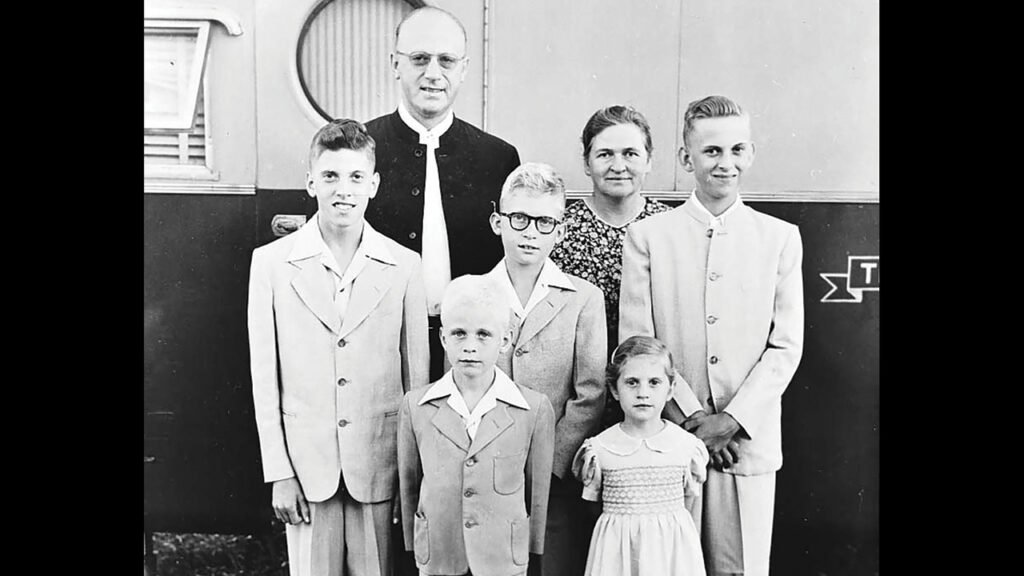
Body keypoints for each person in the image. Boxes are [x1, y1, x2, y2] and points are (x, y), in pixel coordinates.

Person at [619, 95, 804, 576]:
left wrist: (733, 419)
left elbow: (785, 347)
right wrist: (694, 417)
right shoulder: (648, 237)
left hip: (747, 445)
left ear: (751, 153)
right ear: (686, 158)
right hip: (670, 437)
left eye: (737, 150)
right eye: (712, 151)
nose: (726, 163)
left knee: (741, 567)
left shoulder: (779, 238)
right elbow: (638, 345)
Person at [248, 119, 430, 576]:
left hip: (379, 469)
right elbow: (264, 381)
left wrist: (410, 480)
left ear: (374, 184)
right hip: (307, 469)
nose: (343, 190)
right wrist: (280, 472)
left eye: (355, 177)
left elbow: (417, 386)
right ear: (311, 182)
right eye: (330, 176)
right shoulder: (271, 264)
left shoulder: (405, 266)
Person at [365, 6, 521, 382]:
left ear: (463, 69)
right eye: (420, 58)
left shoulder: (499, 158)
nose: (433, 73)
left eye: (447, 61)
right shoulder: (360, 150)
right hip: (381, 348)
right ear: (395, 64)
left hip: (472, 353)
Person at [485, 163, 607, 576]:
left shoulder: (583, 299)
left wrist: (549, 463)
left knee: (551, 562)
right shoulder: (473, 292)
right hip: (488, 470)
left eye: (544, 222)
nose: (530, 232)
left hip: (554, 477)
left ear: (560, 231)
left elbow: (590, 392)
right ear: (498, 222)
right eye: (519, 218)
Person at [397, 275, 555, 576]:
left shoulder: (532, 409)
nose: (470, 346)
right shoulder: (416, 407)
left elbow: (536, 493)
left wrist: (529, 552)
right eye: (459, 333)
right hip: (439, 556)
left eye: (483, 334)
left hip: (503, 558)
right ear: (443, 338)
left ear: (505, 340)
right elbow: (410, 485)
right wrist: (415, 546)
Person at [572, 336, 709, 576]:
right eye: (632, 382)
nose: (643, 393)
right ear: (615, 389)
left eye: (654, 382)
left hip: (670, 554)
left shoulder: (686, 447)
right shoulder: (600, 448)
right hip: (617, 555)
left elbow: (688, 500)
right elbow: (592, 505)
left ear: (670, 389)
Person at [549, 105, 672, 358]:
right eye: (605, 154)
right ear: (587, 163)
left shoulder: (669, 227)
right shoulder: (559, 231)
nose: (618, 166)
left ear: (648, 160)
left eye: (630, 154)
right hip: (577, 368)